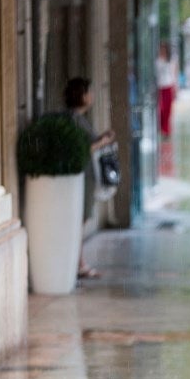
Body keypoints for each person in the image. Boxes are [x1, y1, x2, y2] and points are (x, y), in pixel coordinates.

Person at [64, 77, 115, 279]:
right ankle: (78, 264)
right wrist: (102, 142)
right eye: (89, 92)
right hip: (82, 175)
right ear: (82, 95)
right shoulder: (74, 119)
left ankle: (79, 262)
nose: (92, 96)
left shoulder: (79, 119)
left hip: (86, 174)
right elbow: (81, 148)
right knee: (79, 219)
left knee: (81, 219)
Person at [156, 42, 177, 138]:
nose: (162, 51)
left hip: (168, 86)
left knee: (168, 109)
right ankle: (161, 128)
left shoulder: (170, 60)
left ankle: (166, 130)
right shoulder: (157, 60)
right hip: (160, 87)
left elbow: (174, 74)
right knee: (161, 108)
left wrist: (175, 88)